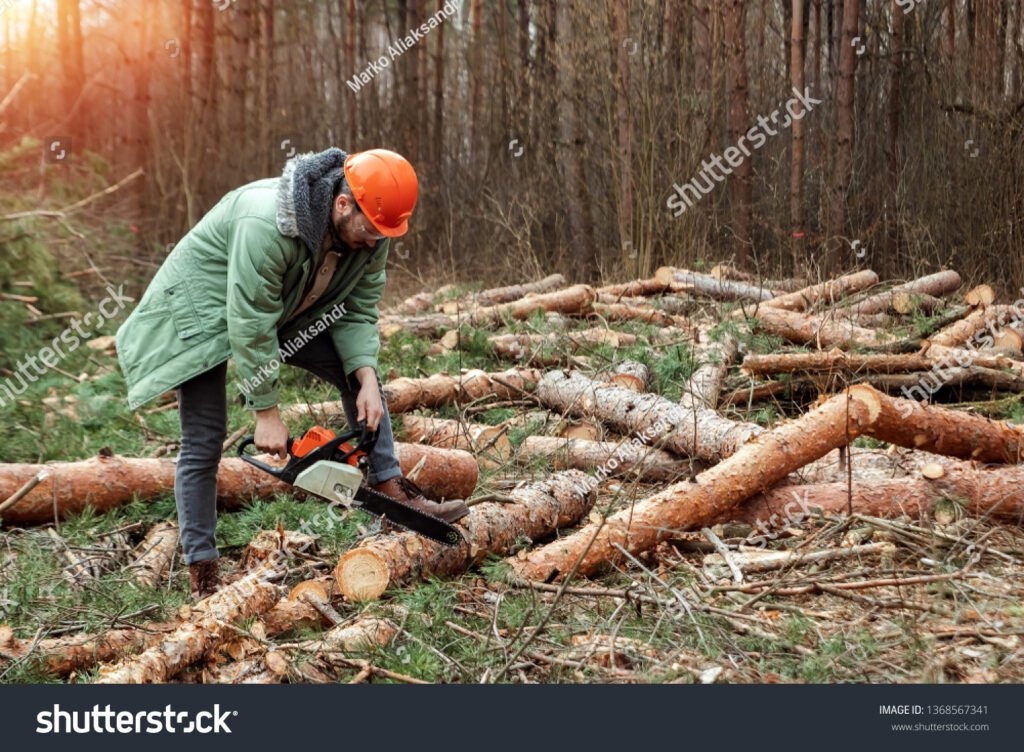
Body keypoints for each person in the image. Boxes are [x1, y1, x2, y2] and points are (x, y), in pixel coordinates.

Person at [115, 147, 469, 600]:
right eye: (370, 231)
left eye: (384, 234)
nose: (375, 243)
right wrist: (266, 412)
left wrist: (365, 377)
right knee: (204, 437)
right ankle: (203, 573)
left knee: (358, 375)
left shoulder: (373, 231)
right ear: (343, 204)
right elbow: (249, 321)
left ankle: (389, 487)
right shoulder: (268, 224)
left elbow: (358, 310)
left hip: (284, 308)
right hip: (200, 313)